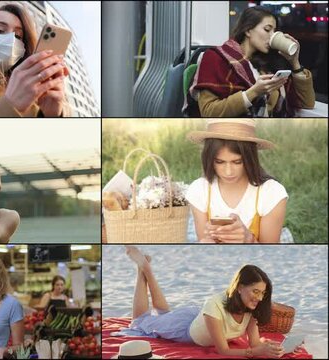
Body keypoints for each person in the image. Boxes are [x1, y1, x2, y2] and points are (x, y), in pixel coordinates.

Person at [117, 246, 295, 358]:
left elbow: (255, 344)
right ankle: (143, 269)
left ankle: (146, 269)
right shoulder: (216, 303)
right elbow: (223, 351)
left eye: (263, 293)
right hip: (185, 329)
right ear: (240, 287)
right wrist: (255, 352)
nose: (259, 297)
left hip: (199, 318)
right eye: (255, 291)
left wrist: (269, 348)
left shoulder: (251, 309)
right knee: (140, 320)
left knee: (163, 314)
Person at [187, 6, 315, 117]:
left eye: (274, 31)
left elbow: (306, 103)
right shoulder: (215, 58)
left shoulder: (267, 66)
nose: (272, 36)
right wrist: (254, 92)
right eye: (267, 29)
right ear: (248, 30)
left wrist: (295, 62)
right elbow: (208, 112)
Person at [185, 119, 287, 243]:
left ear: (250, 159)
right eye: (220, 162)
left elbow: (270, 252)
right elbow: (203, 239)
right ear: (209, 159)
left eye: (237, 162)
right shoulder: (199, 189)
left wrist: (248, 238)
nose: (228, 172)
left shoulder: (272, 193)